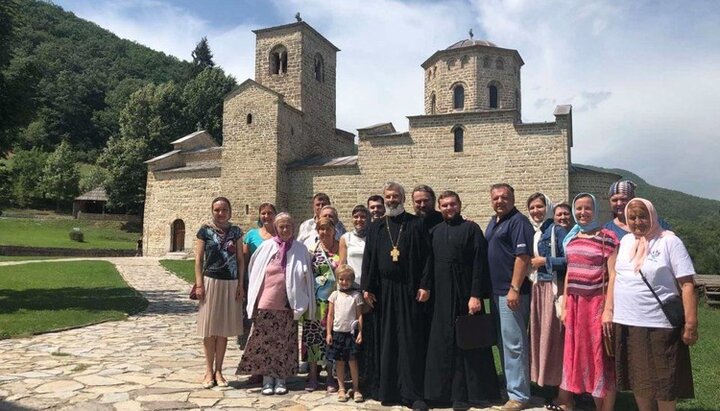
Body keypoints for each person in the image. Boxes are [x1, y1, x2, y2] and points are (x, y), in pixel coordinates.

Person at [613, 198, 698, 411]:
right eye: (632, 217)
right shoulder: (625, 242)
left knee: (664, 381)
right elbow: (615, 276)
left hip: (659, 324)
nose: (638, 222)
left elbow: (687, 284)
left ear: (652, 216)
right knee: (639, 380)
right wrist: (609, 310)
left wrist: (691, 324)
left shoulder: (669, 241)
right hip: (629, 322)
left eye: (643, 216)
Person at [424, 191, 500, 410]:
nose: (449, 208)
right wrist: (425, 287)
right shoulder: (435, 232)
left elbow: (479, 264)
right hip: (440, 297)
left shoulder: (471, 229)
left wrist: (475, 295)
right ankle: (442, 394)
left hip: (464, 293)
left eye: (452, 204)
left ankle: (469, 394)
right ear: (440, 207)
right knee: (443, 343)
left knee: (469, 343)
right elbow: (429, 263)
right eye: (445, 205)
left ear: (459, 205)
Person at [361, 181, 431, 411]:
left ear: (402, 198)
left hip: (408, 289)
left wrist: (424, 285)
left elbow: (426, 258)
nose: (392, 200)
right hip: (383, 291)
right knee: (386, 339)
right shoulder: (377, 227)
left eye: (395, 196)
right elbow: (369, 258)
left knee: (409, 340)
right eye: (388, 196)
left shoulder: (415, 224)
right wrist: (367, 287)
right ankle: (388, 389)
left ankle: (412, 393)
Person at [236, 212, 315, 395]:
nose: (285, 229)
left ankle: (281, 379)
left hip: (288, 303)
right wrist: (253, 300)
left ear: (293, 228)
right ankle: (267, 379)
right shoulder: (266, 247)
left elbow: (307, 278)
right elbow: (254, 272)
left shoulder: (300, 250)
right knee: (265, 342)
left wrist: (304, 302)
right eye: (281, 226)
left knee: (285, 343)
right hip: (267, 301)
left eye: (288, 226)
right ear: (276, 228)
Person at [557, 193, 619, 411]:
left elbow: (613, 276)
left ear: (595, 210)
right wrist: (565, 307)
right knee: (582, 356)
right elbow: (569, 273)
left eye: (587, 208)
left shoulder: (607, 238)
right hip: (575, 307)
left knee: (601, 357)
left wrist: (608, 310)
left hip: (596, 305)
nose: (583, 213)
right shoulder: (572, 239)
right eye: (579, 209)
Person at [485, 183, 534, 411]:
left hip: (511, 293)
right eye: (496, 198)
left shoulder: (518, 222)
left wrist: (514, 288)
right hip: (496, 294)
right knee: (502, 344)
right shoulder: (495, 222)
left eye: (504, 197)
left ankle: (520, 396)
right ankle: (509, 387)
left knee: (514, 344)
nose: (500, 201)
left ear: (513, 199)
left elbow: (523, 256)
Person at [194, 197, 245, 389]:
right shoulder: (204, 231)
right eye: (217, 210)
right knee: (209, 329)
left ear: (229, 211)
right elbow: (198, 259)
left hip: (230, 282)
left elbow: (240, 260)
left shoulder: (236, 232)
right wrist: (199, 284)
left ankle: (219, 371)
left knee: (223, 329)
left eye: (224, 210)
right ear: (212, 211)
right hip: (210, 281)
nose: (220, 213)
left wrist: (240, 284)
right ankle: (208, 371)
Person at [526, 194, 567, 398]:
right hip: (536, 287)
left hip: (551, 287)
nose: (536, 211)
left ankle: (556, 384)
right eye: (532, 207)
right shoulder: (534, 231)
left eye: (540, 206)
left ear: (548, 207)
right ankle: (542, 381)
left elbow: (569, 259)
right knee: (539, 335)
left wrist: (545, 261)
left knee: (553, 337)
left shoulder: (557, 231)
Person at [304, 217, 341, 392]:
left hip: (335, 303)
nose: (325, 232)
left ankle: (331, 377)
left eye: (328, 229)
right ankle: (312, 376)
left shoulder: (341, 248)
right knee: (313, 340)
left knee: (331, 340)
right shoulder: (312, 250)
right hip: (316, 303)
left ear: (334, 230)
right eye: (321, 229)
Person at [239, 203, 277, 354]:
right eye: (263, 213)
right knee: (252, 321)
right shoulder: (251, 235)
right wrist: (242, 283)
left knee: (269, 323)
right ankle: (252, 359)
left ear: (275, 215)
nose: (266, 216)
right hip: (254, 283)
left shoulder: (280, 235)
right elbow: (244, 260)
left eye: (269, 213)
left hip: (273, 286)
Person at [326, 264, 365, 403]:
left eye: (347, 279)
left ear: (352, 280)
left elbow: (359, 315)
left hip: (351, 333)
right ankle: (341, 387)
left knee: (353, 361)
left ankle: (356, 388)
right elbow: (330, 315)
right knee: (339, 362)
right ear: (337, 280)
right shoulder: (334, 295)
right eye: (341, 279)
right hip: (337, 333)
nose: (344, 282)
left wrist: (360, 332)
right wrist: (328, 333)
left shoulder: (356, 296)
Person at [604, 180, 669, 239]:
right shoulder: (607, 230)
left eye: (623, 199)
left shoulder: (657, 224)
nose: (619, 203)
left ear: (633, 199)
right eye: (614, 200)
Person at [339, 205, 369, 288]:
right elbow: (342, 264)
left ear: (368, 219)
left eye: (363, 217)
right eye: (356, 217)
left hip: (368, 286)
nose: (359, 220)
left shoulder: (372, 237)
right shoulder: (346, 238)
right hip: (351, 286)